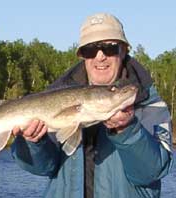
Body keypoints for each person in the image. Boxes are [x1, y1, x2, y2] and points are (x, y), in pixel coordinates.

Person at [10, 13, 173, 198]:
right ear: (82, 56)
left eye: (109, 48)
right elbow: (41, 168)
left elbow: (151, 172)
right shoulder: (56, 97)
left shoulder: (148, 103)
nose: (100, 56)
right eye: (90, 50)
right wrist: (34, 143)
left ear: (124, 50)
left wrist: (127, 130)